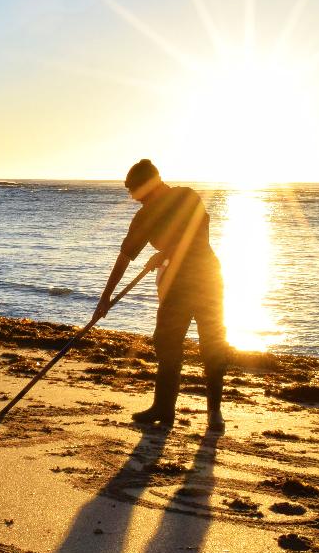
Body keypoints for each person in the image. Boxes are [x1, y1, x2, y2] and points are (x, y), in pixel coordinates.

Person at [94, 159, 228, 431]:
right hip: (176, 285)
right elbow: (124, 257)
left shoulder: (186, 197)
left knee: (211, 343)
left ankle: (214, 413)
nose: (132, 197)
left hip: (206, 279)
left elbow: (197, 237)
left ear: (148, 185)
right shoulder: (144, 217)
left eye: (134, 190)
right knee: (166, 342)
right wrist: (105, 297)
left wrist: (164, 254)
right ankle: (164, 408)